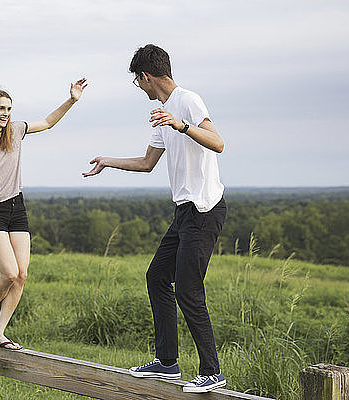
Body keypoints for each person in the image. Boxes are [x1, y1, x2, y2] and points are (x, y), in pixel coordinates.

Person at [83, 44, 227, 393]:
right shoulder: (162, 112)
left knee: (189, 290)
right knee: (157, 276)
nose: (140, 88)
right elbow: (148, 163)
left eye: (138, 81)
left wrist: (181, 125)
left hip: (205, 210)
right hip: (184, 212)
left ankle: (212, 371)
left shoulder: (187, 101)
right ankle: (167, 363)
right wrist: (108, 161)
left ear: (146, 76)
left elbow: (218, 143)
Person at [0, 78, 87, 350]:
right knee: (9, 273)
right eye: (1, 108)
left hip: (17, 208)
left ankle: (0, 333)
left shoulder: (16, 131)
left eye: (9, 109)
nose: (6, 114)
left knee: (22, 274)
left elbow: (48, 122)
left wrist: (72, 100)